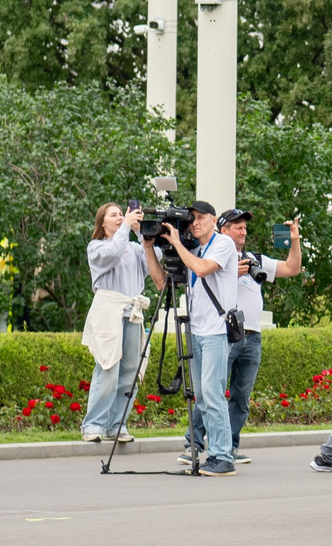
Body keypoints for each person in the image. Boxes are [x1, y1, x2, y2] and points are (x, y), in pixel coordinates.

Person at [206, 207, 302, 459]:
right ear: (223, 230)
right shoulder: (213, 257)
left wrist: (294, 239)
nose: (243, 231)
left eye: (245, 227)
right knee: (213, 390)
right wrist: (228, 273)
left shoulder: (253, 259)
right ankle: (193, 443)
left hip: (252, 335)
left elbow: (292, 268)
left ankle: (230, 446)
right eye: (237, 226)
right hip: (224, 332)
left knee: (241, 397)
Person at [166, 202, 241, 476]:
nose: (194, 223)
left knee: (212, 393)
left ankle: (223, 456)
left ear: (213, 220)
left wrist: (177, 242)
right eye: (191, 219)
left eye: (200, 218)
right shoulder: (195, 250)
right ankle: (213, 454)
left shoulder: (223, 244)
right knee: (202, 397)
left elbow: (202, 269)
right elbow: (162, 281)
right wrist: (150, 246)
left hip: (216, 330)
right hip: (196, 330)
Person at [79, 203, 165, 444]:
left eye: (122, 214)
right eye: (114, 215)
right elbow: (113, 253)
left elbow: (155, 258)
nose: (120, 217)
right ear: (102, 222)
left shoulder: (134, 247)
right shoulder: (96, 247)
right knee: (107, 368)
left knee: (130, 372)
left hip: (132, 313)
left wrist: (141, 232)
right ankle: (93, 425)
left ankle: (117, 424)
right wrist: (126, 227)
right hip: (109, 312)